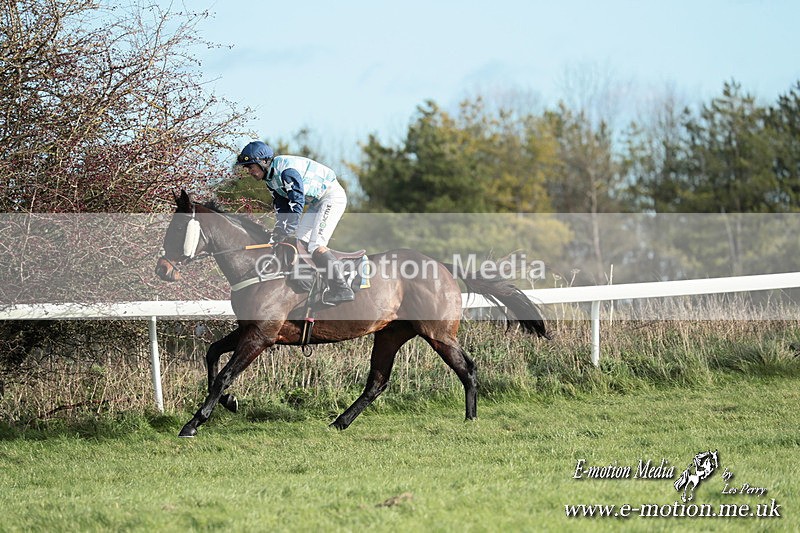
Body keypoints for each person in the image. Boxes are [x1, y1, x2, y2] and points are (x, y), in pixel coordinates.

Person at [235, 141, 355, 305]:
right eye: (247, 168)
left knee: (315, 244)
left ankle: (342, 289)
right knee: (300, 242)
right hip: (316, 203)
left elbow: (296, 204)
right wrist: (278, 231)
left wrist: (286, 230)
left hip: (331, 198)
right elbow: (282, 207)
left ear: (263, 162)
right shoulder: (270, 179)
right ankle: (313, 283)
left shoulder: (286, 172)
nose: (249, 171)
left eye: (251, 167)